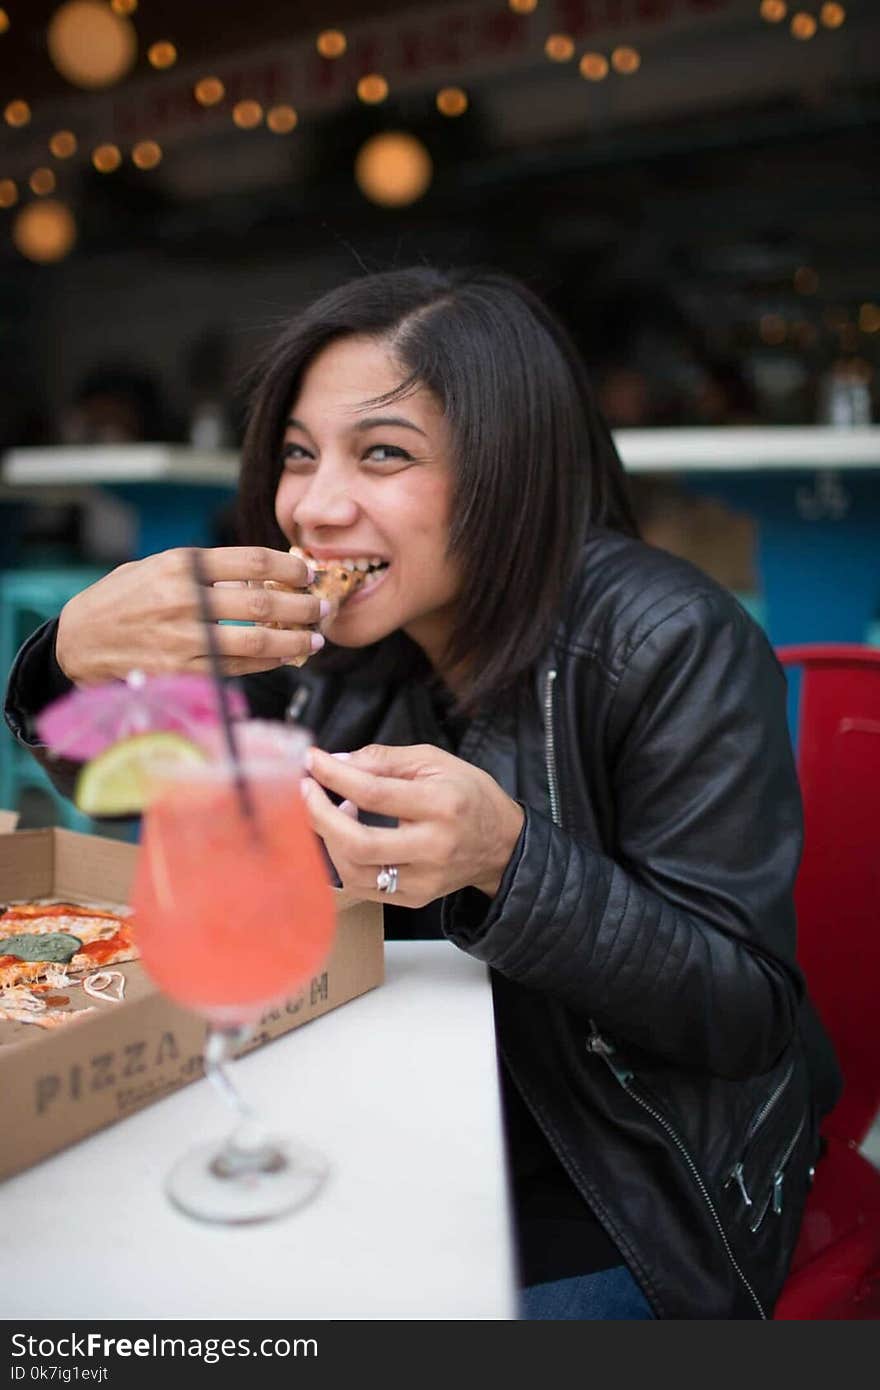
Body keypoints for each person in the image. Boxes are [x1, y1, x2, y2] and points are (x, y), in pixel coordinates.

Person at [4, 267, 840, 1320]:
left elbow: (745, 1012)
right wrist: (69, 660)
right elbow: (156, 812)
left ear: (509, 472)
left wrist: (510, 859)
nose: (314, 506)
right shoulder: (328, 646)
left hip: (626, 1182)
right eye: (300, 454)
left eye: (383, 453)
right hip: (385, 1104)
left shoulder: (668, 640)